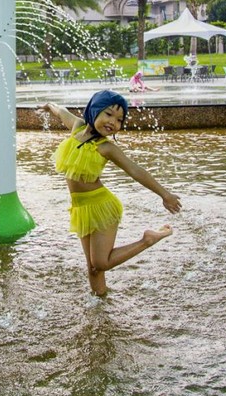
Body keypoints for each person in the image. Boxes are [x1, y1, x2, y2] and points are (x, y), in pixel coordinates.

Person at [43, 90, 181, 296]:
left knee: (101, 261)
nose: (113, 123)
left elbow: (136, 170)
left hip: (102, 207)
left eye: (119, 120)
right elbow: (61, 112)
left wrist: (164, 194)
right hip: (81, 208)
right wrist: (49, 106)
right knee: (92, 266)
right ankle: (100, 300)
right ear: (94, 110)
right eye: (108, 114)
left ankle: (148, 239)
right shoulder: (77, 127)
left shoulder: (106, 147)